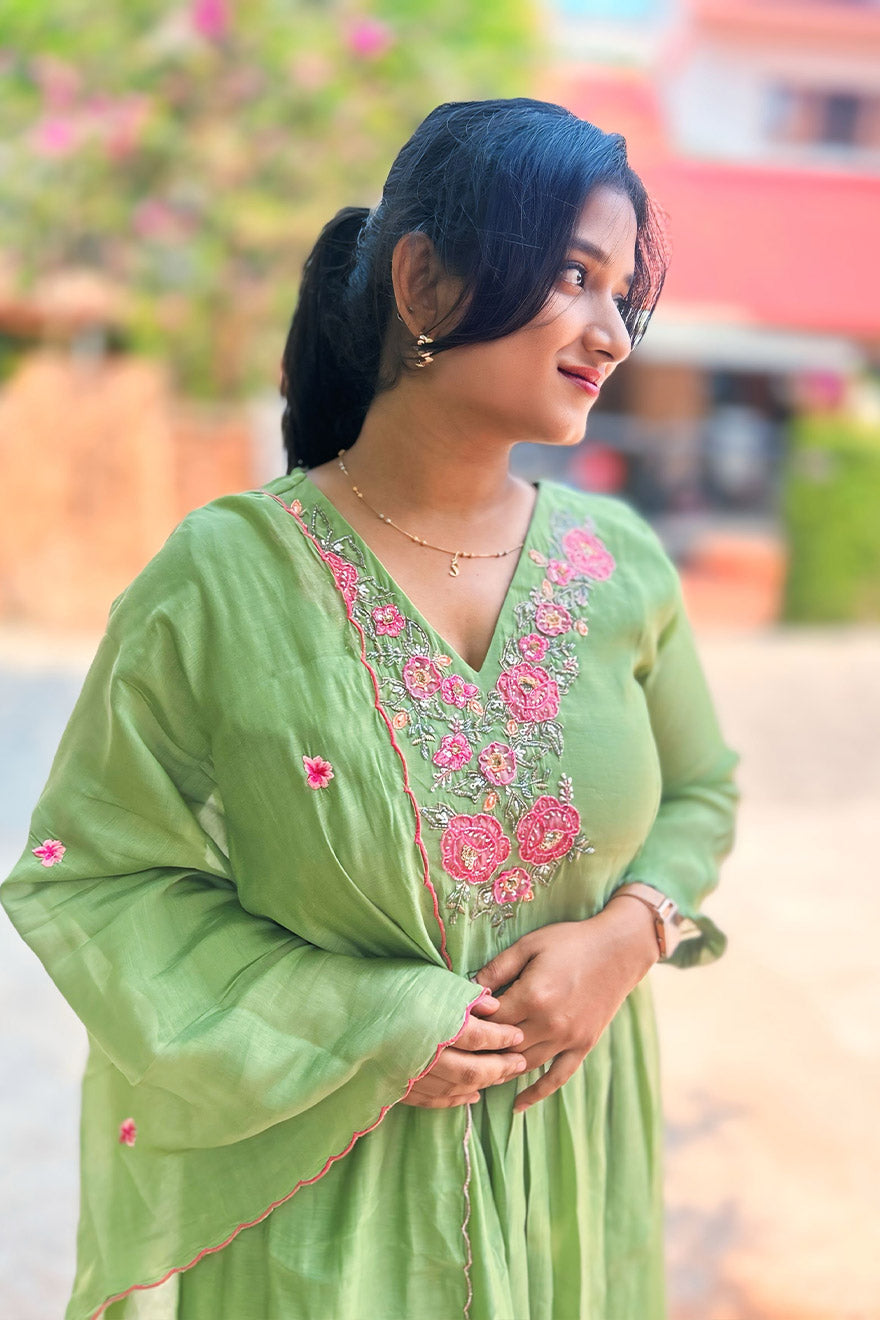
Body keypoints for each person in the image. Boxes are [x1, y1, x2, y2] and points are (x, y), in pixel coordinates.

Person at [1, 98, 738, 1320]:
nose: (612, 334)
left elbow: (701, 788)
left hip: (575, 1187)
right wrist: (369, 1021)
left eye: (622, 294)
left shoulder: (618, 564)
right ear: (424, 281)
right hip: (332, 1211)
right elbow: (91, 875)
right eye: (573, 276)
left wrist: (630, 934)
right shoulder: (226, 578)